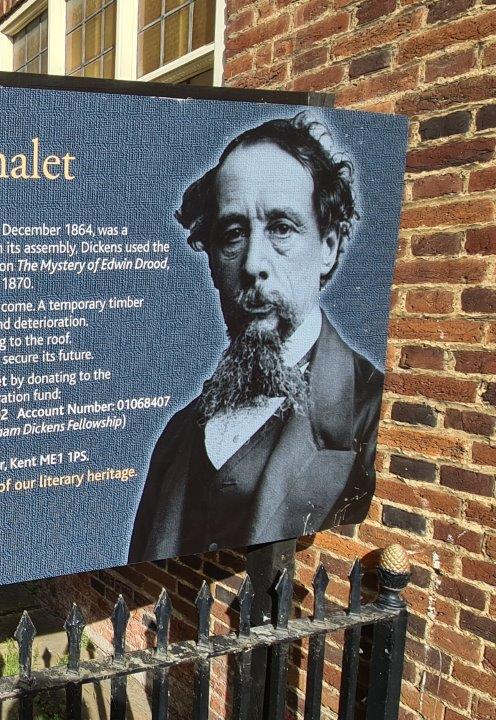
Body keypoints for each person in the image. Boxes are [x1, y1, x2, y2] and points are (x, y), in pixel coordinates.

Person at [128, 113, 383, 563]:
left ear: (328, 247)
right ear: (212, 260)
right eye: (233, 234)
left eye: (282, 228)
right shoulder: (177, 437)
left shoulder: (368, 414)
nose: (252, 264)